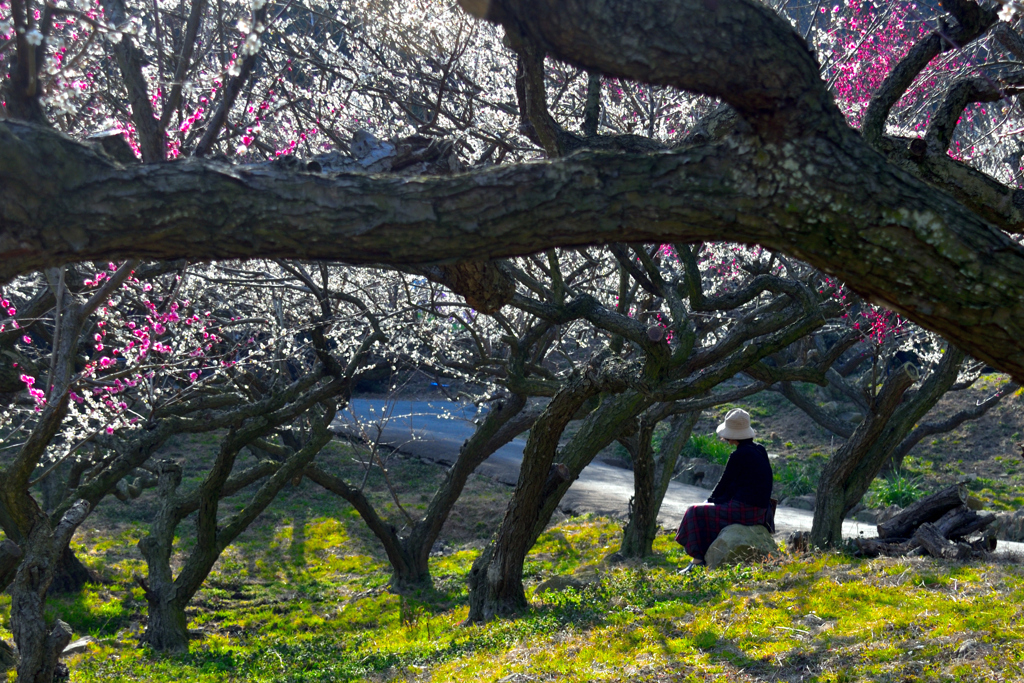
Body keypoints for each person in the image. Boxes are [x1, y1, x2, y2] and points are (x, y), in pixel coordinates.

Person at [675, 408, 775, 571]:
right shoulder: (760, 450)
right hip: (761, 511)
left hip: (745, 509)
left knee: (694, 511)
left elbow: (724, 485)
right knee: (706, 510)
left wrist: (709, 502)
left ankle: (698, 561)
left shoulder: (739, 455)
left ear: (732, 435)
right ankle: (699, 560)